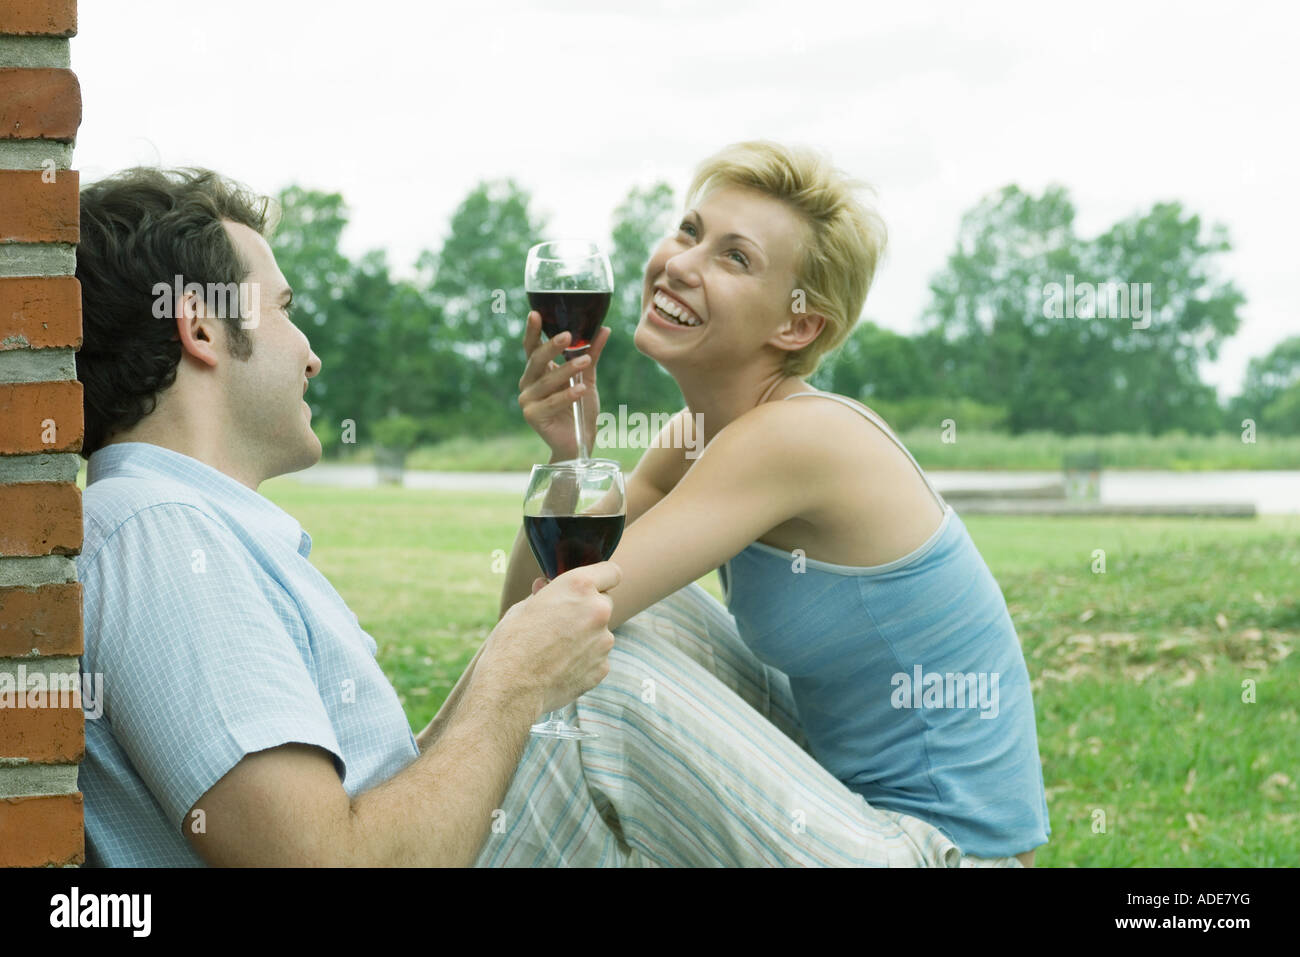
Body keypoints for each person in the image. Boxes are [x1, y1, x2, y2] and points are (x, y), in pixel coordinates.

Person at [499, 141, 1051, 866]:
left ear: (796, 325)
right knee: (607, 619)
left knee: (603, 677)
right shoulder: (700, 434)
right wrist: (569, 455)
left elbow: (555, 626)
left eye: (735, 259)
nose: (681, 264)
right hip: (844, 812)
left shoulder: (795, 437)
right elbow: (530, 614)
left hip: (939, 853)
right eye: (690, 231)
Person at [74, 168, 620, 866]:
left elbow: (388, 797)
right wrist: (516, 682)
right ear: (202, 327)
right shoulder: (158, 536)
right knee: (625, 713)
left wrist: (565, 469)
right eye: (284, 309)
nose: (312, 355)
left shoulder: (185, 527)